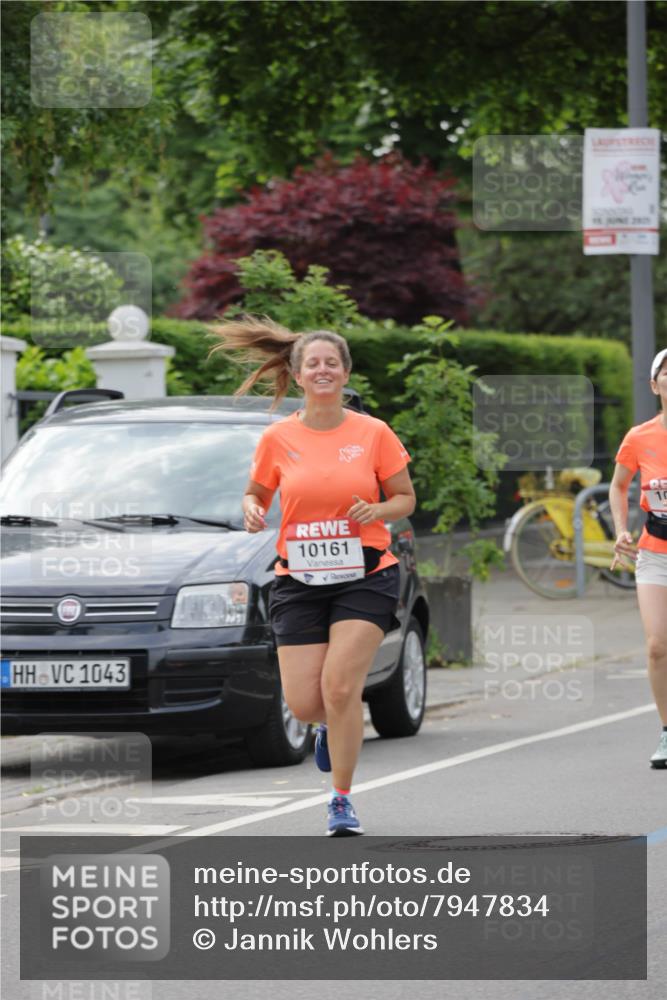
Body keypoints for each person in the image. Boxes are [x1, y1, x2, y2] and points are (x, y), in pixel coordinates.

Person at [208, 316, 416, 834]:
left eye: (331, 362)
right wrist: (252, 507)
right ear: (298, 374)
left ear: (345, 372)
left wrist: (379, 512)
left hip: (365, 573)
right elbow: (256, 493)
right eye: (312, 363)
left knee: (341, 687)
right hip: (298, 578)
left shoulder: (373, 433)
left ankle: (341, 799)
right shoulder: (278, 438)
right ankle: (326, 728)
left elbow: (406, 498)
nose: (322, 369)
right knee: (305, 702)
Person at [609, 347, 667, 769]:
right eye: (666, 372)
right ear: (654, 384)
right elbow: (618, 486)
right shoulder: (639, 436)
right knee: (657, 646)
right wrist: (621, 529)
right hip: (655, 551)